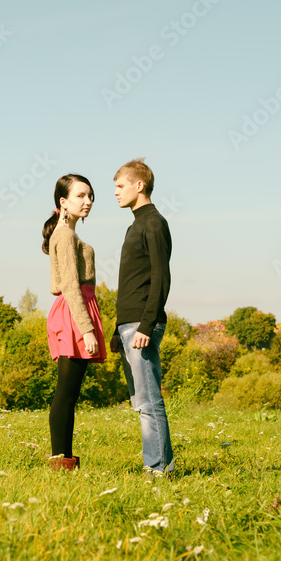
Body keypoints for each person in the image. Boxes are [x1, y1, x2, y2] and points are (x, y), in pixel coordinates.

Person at [110, 158, 174, 477]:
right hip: (129, 326)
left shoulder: (153, 223)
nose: (116, 193)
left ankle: (160, 467)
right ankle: (155, 464)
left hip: (142, 326)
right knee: (140, 402)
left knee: (149, 401)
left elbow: (161, 278)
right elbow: (131, 283)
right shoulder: (134, 224)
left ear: (139, 185)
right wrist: (116, 329)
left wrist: (146, 325)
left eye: (120, 186)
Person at [42, 174, 107, 470]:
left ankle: (64, 460)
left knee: (69, 393)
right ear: (63, 202)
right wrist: (87, 329)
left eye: (90, 196)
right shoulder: (65, 235)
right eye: (81, 196)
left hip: (75, 310)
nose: (88, 201)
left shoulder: (69, 234)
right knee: (66, 394)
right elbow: (69, 285)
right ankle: (61, 462)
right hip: (72, 314)